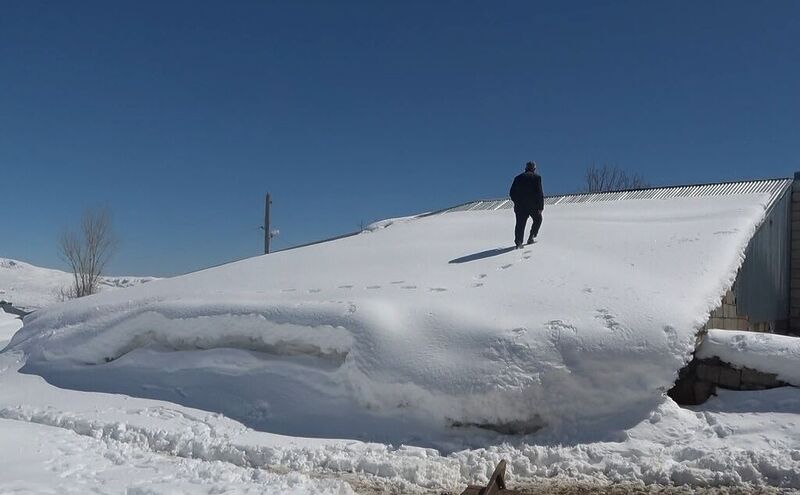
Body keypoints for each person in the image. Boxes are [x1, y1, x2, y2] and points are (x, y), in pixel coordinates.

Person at [509, 161, 544, 249]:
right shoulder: (537, 177)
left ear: (526, 168)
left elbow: (511, 192)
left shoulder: (518, 178)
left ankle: (519, 242)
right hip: (533, 206)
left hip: (520, 206)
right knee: (538, 219)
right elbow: (539, 193)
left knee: (520, 224)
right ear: (534, 168)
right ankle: (531, 236)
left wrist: (516, 201)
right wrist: (540, 206)